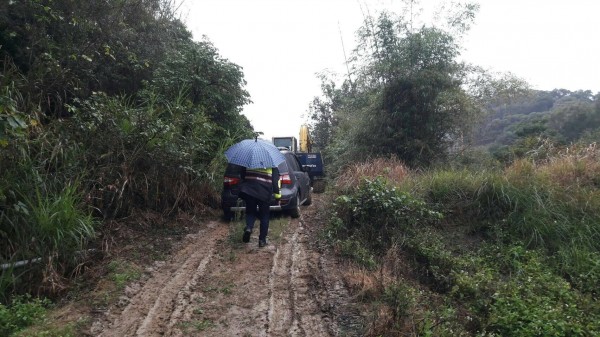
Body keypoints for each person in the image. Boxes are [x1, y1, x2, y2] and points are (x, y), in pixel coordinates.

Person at [238, 166, 280, 247]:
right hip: (264, 192)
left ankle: (249, 228)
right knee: (264, 216)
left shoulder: (249, 161)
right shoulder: (272, 164)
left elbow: (242, 176)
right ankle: (262, 240)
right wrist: (277, 196)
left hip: (249, 191)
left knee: (250, 212)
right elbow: (275, 182)